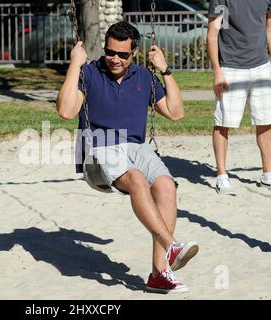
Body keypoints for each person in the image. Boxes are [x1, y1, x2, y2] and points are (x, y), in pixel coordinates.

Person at [57, 21, 199, 293]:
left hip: (136, 149)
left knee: (166, 185)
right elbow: (65, 110)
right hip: (99, 150)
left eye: (122, 55)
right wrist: (75, 64)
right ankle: (172, 246)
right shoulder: (89, 73)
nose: (115, 59)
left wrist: (165, 70)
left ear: (134, 53)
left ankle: (159, 273)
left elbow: (176, 112)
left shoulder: (144, 77)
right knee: (136, 179)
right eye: (110, 52)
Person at [207, 0, 271, 195]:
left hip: (262, 66)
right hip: (231, 68)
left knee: (266, 121)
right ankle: (222, 176)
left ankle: (267, 173)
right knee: (223, 122)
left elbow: (269, 29)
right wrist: (217, 72)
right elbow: (212, 35)